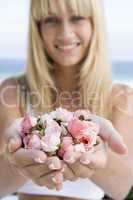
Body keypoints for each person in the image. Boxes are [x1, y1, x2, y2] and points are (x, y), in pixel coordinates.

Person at [0, 0, 133, 199]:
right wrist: (19, 150)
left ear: (94, 23)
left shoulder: (121, 96)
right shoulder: (12, 91)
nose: (65, 33)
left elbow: (124, 188)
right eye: (51, 20)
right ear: (38, 29)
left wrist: (95, 153)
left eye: (77, 18)